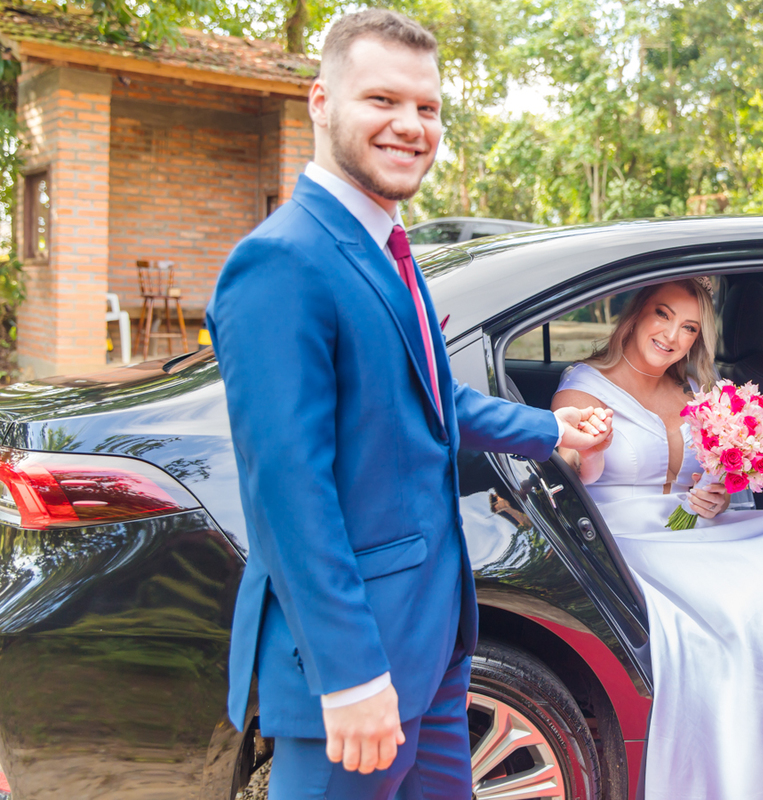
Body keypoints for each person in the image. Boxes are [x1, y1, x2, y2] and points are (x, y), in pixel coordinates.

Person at [206, 10, 611, 799]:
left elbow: (432, 399)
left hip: (434, 643)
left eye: (426, 109)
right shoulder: (282, 261)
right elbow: (289, 492)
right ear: (321, 103)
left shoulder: (388, 245)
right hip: (356, 669)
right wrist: (350, 676)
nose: (411, 126)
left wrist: (551, 428)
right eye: (382, 101)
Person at [552, 277, 763, 800]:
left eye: (688, 328)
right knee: (739, 613)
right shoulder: (584, 388)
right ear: (637, 315)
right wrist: (581, 448)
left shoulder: (694, 391)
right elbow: (570, 468)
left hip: (692, 526)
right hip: (627, 538)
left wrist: (718, 494)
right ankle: (743, 773)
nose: (671, 335)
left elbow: (705, 476)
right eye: (663, 316)